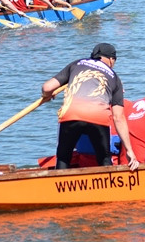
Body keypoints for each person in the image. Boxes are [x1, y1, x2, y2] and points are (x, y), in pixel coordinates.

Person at [41, 43, 139, 171]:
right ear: (111, 59)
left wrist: (48, 95)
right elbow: (118, 117)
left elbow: (47, 87)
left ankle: (60, 180)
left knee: (63, 158)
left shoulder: (77, 64)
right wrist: (129, 150)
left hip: (71, 115)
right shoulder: (115, 78)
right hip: (98, 117)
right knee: (104, 159)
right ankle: (107, 181)